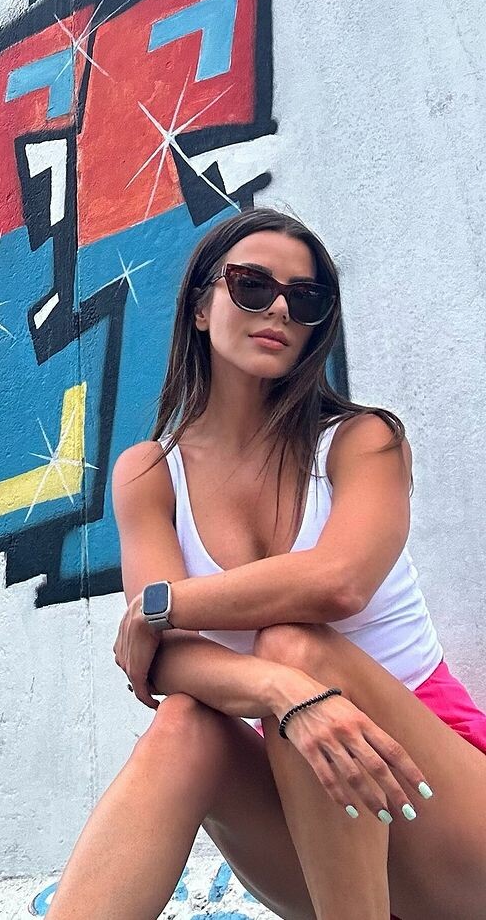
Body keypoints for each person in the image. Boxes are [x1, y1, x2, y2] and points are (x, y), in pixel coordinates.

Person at [47, 207, 486, 920]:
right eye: (252, 285)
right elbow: (161, 662)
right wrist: (280, 690)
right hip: (314, 823)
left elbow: (338, 583)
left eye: (304, 299)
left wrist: (163, 606)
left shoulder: (362, 442)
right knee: (188, 724)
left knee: (295, 644)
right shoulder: (150, 474)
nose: (279, 309)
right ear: (200, 307)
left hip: (450, 816)